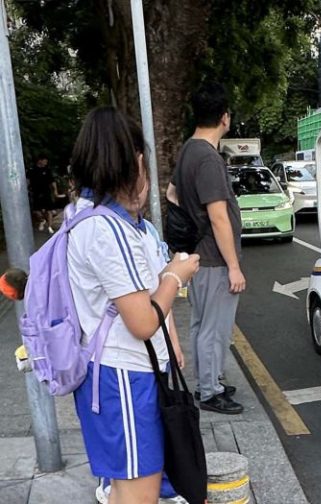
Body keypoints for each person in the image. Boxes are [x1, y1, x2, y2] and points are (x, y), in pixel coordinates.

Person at [67, 107, 200, 503]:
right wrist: (177, 276)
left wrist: (171, 341)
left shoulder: (97, 219)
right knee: (138, 493)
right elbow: (142, 321)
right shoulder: (106, 230)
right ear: (135, 161)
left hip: (123, 373)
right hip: (123, 375)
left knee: (130, 488)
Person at [167, 81, 245, 415]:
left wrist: (191, 224)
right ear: (225, 117)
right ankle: (210, 392)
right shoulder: (209, 159)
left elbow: (172, 194)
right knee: (215, 329)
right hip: (215, 257)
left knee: (202, 325)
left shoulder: (188, 149)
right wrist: (234, 266)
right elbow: (219, 217)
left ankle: (207, 381)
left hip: (198, 253)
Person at [27, 155, 66, 234]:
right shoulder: (32, 170)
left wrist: (55, 191)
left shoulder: (47, 170)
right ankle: (42, 220)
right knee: (36, 211)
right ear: (39, 161)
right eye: (44, 161)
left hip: (46, 192)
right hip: (36, 193)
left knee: (49, 210)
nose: (46, 163)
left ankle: (49, 226)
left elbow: (52, 181)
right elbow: (27, 181)